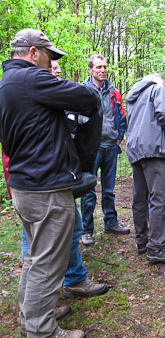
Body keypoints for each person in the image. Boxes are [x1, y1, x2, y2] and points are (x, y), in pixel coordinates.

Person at [0, 28, 100, 338]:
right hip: (45, 188)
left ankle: (31, 314)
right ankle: (41, 330)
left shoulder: (6, 83)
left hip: (24, 185)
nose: (50, 64)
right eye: (49, 57)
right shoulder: (31, 79)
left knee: (35, 257)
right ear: (32, 53)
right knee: (48, 262)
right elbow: (87, 96)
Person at [18, 58, 107, 300]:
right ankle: (41, 301)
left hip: (60, 176)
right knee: (38, 241)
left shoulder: (49, 99)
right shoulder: (30, 97)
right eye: (52, 69)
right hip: (40, 182)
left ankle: (74, 279)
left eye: (58, 69)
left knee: (71, 227)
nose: (57, 72)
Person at [125, 73, 165, 264]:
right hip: (153, 148)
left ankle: (141, 241)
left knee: (140, 197)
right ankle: (155, 247)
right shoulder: (158, 89)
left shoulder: (133, 97)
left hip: (134, 149)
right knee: (159, 197)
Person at [81, 54, 129, 246]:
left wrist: (119, 136)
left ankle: (111, 223)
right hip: (91, 149)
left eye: (104, 67)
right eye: (98, 67)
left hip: (111, 146)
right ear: (90, 70)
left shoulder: (113, 91)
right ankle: (86, 230)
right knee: (88, 190)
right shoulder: (83, 91)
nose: (102, 70)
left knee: (108, 190)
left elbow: (121, 115)